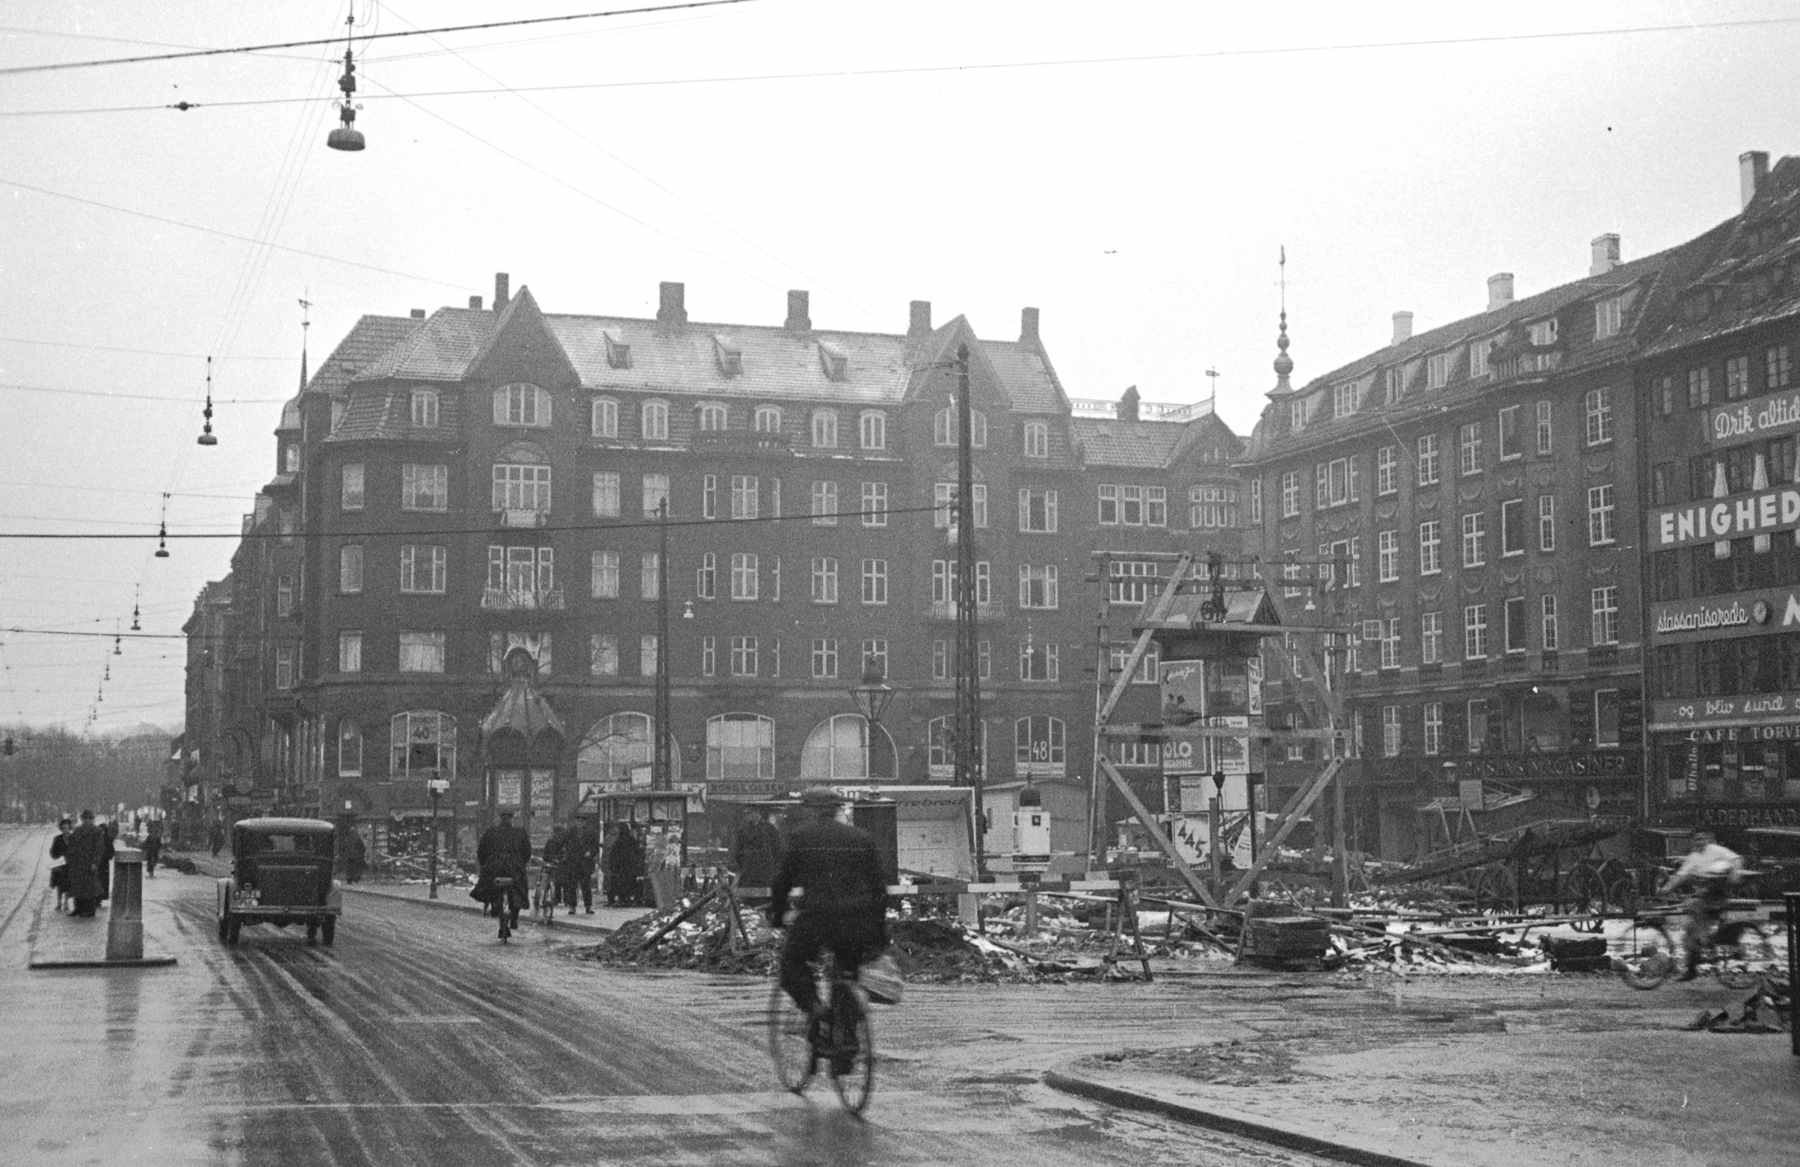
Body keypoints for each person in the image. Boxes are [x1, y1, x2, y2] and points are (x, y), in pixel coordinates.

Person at [768, 788, 889, 1070]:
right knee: (847, 975)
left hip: (818, 919)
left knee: (792, 964)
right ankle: (846, 1042)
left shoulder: (801, 838)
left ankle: (815, 1010)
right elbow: (879, 888)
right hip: (858, 923)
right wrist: (878, 930)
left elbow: (782, 882)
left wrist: (776, 914)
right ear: (837, 809)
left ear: (810, 809)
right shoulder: (861, 838)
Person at [1659, 829, 1745, 981]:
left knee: (1694, 931)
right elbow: (1680, 876)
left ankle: (1697, 961)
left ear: (1707, 839)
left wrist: (1735, 873)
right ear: (1693, 841)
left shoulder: (1716, 850)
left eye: (1702, 838)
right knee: (1690, 930)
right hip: (1704, 897)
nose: (1699, 842)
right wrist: (1666, 889)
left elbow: (1736, 859)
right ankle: (1693, 965)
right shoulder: (1693, 857)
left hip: (1717, 897)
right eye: (1697, 839)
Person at [473, 810, 531, 922]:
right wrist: (521, 864)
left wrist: (484, 864)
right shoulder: (520, 833)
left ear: (500, 818)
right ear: (511, 819)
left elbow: (481, 851)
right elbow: (527, 852)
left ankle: (494, 905)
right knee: (519, 888)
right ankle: (515, 916)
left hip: (495, 867)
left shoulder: (491, 832)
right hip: (514, 868)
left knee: (488, 885)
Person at [731, 805, 783, 902]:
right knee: (748, 899)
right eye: (748, 814)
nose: (749, 816)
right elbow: (737, 850)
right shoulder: (742, 830)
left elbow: (777, 849)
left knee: (764, 898)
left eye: (751, 813)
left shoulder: (769, 829)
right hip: (749, 872)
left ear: (757, 813)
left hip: (764, 871)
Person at [64, 810, 108, 918]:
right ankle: (78, 908)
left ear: (92, 819)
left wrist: (95, 863)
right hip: (78, 863)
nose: (87, 821)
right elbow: (72, 845)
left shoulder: (97, 831)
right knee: (77, 887)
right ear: (82, 819)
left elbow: (99, 849)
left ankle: (89, 910)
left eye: (89, 818)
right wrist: (70, 858)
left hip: (89, 863)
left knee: (89, 889)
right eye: (85, 818)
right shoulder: (77, 830)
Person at [605, 822, 645, 907]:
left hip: (620, 867)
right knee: (629, 882)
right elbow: (637, 852)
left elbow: (613, 854)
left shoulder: (618, 841)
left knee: (619, 883)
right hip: (630, 867)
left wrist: (612, 866)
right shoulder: (632, 840)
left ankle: (622, 899)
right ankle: (628, 898)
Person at [49, 818, 73, 912]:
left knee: (68, 885)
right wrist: (58, 857)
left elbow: (76, 850)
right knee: (59, 884)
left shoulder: (73, 838)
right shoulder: (57, 839)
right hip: (60, 865)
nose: (65, 830)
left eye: (67, 828)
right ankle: (59, 903)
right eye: (63, 828)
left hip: (70, 865)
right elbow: (52, 852)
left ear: (69, 828)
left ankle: (66, 903)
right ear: (61, 829)